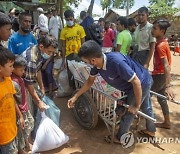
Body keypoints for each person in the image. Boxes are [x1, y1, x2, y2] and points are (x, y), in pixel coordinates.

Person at [68, 40, 156, 142]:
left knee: (129, 112)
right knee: (147, 106)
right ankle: (151, 130)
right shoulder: (98, 64)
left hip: (141, 83)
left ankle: (120, 137)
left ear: (92, 60)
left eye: (85, 61)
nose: (85, 63)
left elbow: (136, 82)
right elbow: (89, 82)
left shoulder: (116, 62)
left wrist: (136, 106)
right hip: (139, 81)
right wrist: (75, 96)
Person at [21, 35, 58, 113]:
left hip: (30, 77)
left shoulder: (40, 52)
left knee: (39, 99)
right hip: (23, 82)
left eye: (52, 52)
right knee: (30, 107)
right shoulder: (32, 60)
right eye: (49, 51)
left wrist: (42, 87)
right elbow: (28, 83)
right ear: (41, 46)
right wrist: (38, 101)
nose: (51, 54)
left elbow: (38, 70)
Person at [151, 19, 175, 129]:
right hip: (160, 75)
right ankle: (167, 122)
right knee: (161, 99)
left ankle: (148, 126)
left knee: (145, 95)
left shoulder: (160, 46)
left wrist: (168, 85)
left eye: (155, 29)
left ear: (162, 31)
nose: (152, 30)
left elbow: (166, 66)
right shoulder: (162, 42)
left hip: (159, 75)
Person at [0, 47, 24, 154]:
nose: (12, 69)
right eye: (10, 66)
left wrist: (20, 115)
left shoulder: (8, 80)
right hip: (3, 136)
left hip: (12, 128)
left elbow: (12, 99)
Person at [11, 56, 34, 154]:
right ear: (13, 69)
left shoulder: (19, 78)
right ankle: (22, 149)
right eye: (21, 70)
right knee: (21, 131)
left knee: (29, 124)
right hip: (20, 110)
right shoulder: (13, 82)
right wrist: (19, 113)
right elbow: (14, 100)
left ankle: (28, 143)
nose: (23, 72)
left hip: (24, 107)